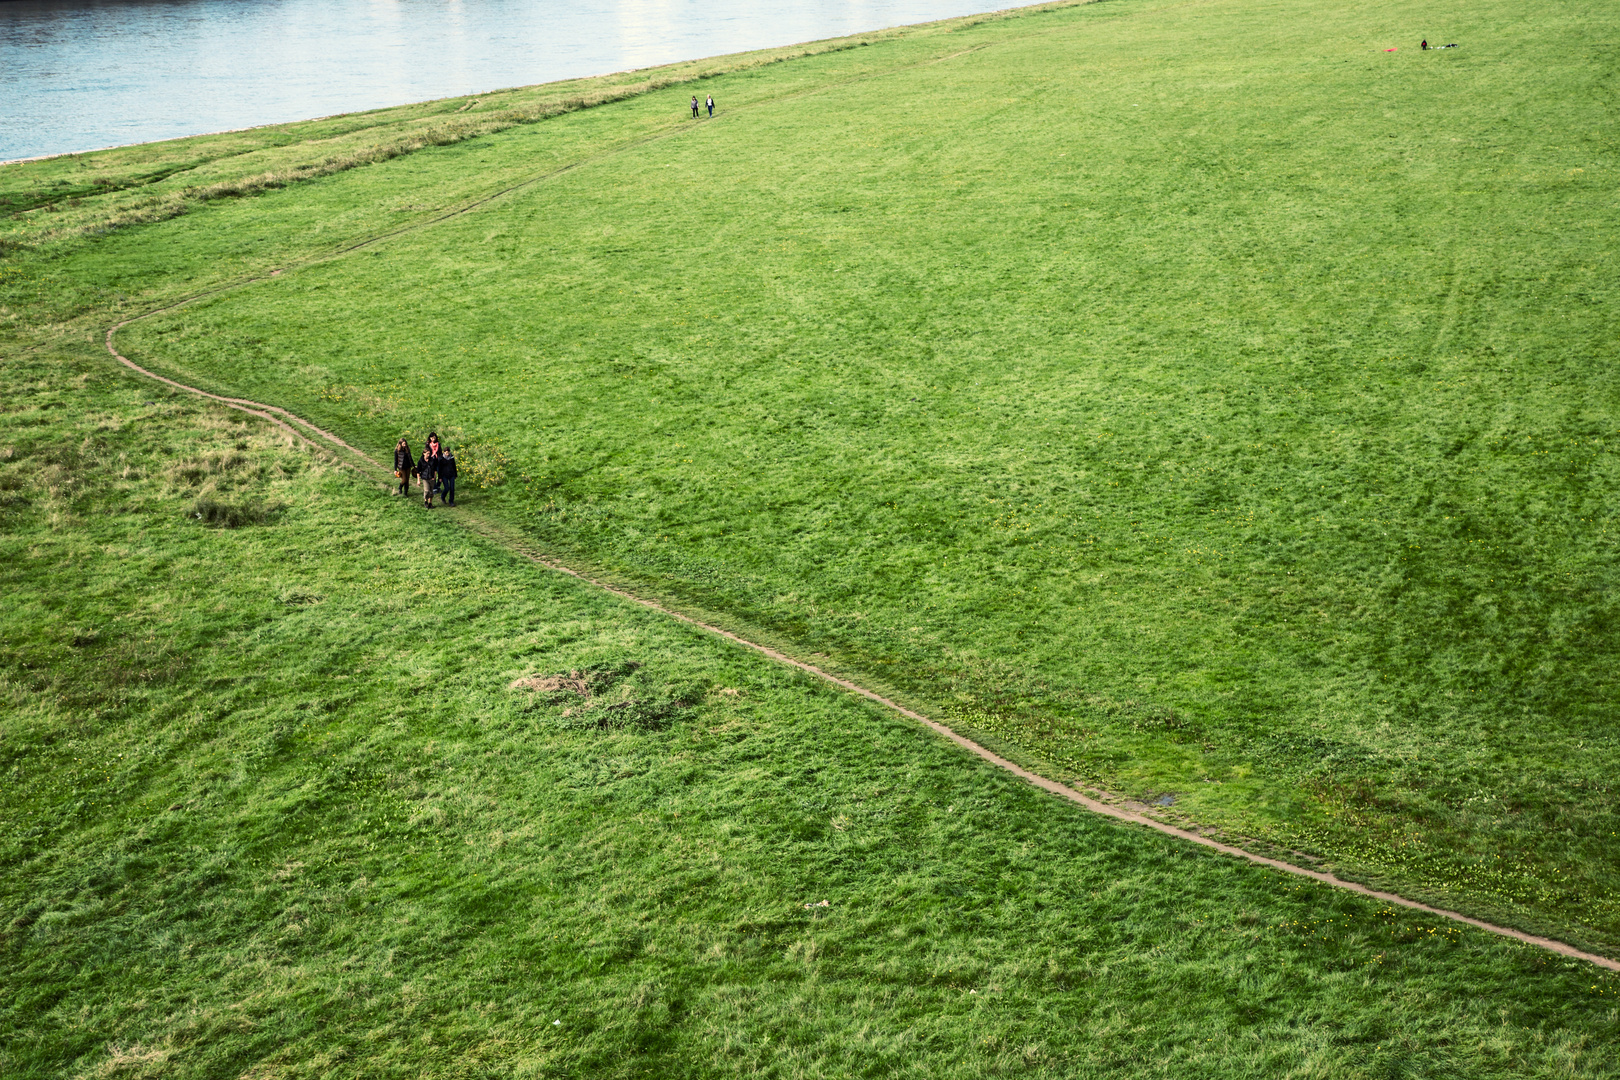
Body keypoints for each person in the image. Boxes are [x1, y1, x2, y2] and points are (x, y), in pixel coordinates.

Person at [417, 434, 441, 508]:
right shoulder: (421, 461)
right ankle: (425, 502)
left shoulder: (432, 460)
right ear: (424, 454)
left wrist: (434, 477)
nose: (428, 455)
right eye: (427, 453)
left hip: (431, 477)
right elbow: (418, 471)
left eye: (429, 454)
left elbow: (434, 469)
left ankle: (430, 503)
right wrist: (418, 480)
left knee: (431, 492)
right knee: (426, 490)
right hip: (425, 478)